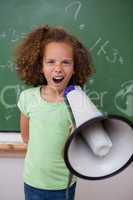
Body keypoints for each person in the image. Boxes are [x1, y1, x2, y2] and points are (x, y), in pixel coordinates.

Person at [15, 24, 93, 200]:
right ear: (40, 66)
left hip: (64, 184)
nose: (58, 68)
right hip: (33, 181)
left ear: (75, 68)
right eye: (50, 62)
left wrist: (77, 136)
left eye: (66, 62)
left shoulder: (78, 102)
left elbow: (83, 145)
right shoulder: (28, 98)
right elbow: (26, 137)